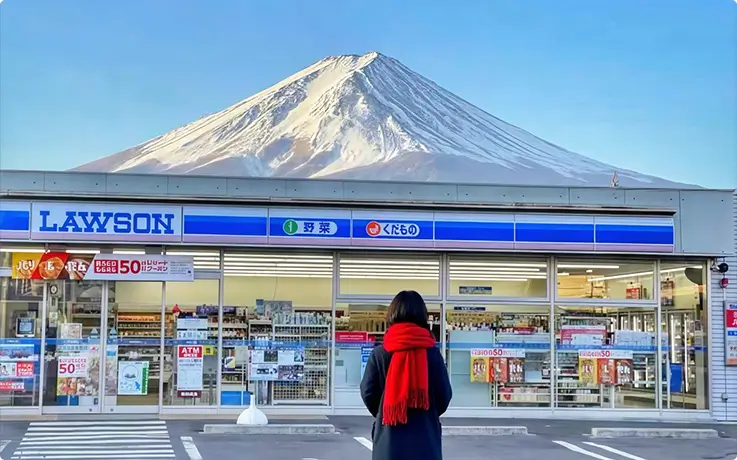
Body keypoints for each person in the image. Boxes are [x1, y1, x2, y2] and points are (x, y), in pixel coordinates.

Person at [360, 290, 452, 460]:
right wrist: (427, 412)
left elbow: (368, 392)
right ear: (422, 315)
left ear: (392, 313)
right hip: (426, 439)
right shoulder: (432, 353)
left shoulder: (380, 353)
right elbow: (444, 395)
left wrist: (386, 410)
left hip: (389, 439)